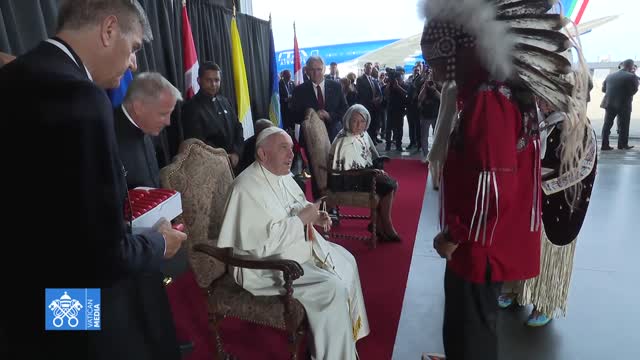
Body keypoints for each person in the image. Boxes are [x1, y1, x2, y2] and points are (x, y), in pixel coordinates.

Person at [0, 0, 187, 358]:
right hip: (67, 296)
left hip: (17, 298)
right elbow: (104, 252)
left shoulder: (15, 76)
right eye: (133, 48)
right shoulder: (83, 99)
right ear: (109, 29)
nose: (133, 63)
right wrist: (160, 243)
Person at [419, 0, 591, 358]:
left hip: (479, 245)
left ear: (460, 52)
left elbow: (493, 186)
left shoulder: (488, 99)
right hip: (487, 241)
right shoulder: (500, 92)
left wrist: (454, 235)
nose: (433, 74)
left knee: (470, 331)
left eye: (436, 62)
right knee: (472, 325)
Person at [216, 127, 370, 360]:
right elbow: (260, 245)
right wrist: (301, 220)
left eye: (291, 148)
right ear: (262, 154)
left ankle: (344, 340)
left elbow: (296, 205)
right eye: (283, 148)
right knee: (332, 289)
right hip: (264, 265)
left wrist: (315, 217)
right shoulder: (245, 188)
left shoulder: (283, 175)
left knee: (347, 260)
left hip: (293, 249)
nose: (292, 155)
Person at [498, 95, 597, 327]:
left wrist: (541, 184)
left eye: (544, 97)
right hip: (528, 197)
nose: (539, 102)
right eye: (537, 97)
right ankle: (514, 289)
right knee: (520, 246)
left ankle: (545, 302)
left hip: (557, 203)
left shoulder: (577, 126)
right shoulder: (538, 120)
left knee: (549, 253)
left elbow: (582, 167)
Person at [112, 71, 184, 359]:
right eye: (163, 114)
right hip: (122, 253)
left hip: (148, 245)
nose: (168, 122)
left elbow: (150, 184)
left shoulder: (144, 131)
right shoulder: (107, 136)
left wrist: (167, 215)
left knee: (155, 312)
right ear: (139, 107)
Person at [329, 104, 400, 242]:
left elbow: (370, 155)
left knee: (392, 183)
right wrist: (373, 172)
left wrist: (376, 169)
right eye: (355, 121)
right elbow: (346, 169)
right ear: (348, 120)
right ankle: (386, 223)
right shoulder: (344, 140)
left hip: (363, 174)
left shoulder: (363, 134)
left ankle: (377, 224)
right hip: (347, 180)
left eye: (362, 122)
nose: (359, 125)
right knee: (388, 186)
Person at [182, 61, 244, 171]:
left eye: (217, 80)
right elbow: (198, 142)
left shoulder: (225, 101)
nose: (213, 84)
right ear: (199, 81)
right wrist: (224, 157)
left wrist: (236, 153)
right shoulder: (191, 107)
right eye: (209, 80)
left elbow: (238, 127)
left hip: (235, 162)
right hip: (212, 167)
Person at [291, 55, 348, 142]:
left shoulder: (336, 86)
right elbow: (293, 116)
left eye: (319, 69)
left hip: (334, 136)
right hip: (311, 140)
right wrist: (310, 116)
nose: (316, 73)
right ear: (306, 71)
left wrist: (329, 116)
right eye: (312, 69)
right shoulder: (299, 91)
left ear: (324, 69)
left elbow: (344, 109)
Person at [600, 59, 638, 150]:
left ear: (623, 65)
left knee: (607, 125)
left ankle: (604, 145)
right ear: (631, 66)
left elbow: (603, 89)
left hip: (609, 103)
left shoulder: (610, 75)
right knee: (623, 125)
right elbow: (634, 90)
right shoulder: (632, 76)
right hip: (624, 104)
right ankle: (622, 145)